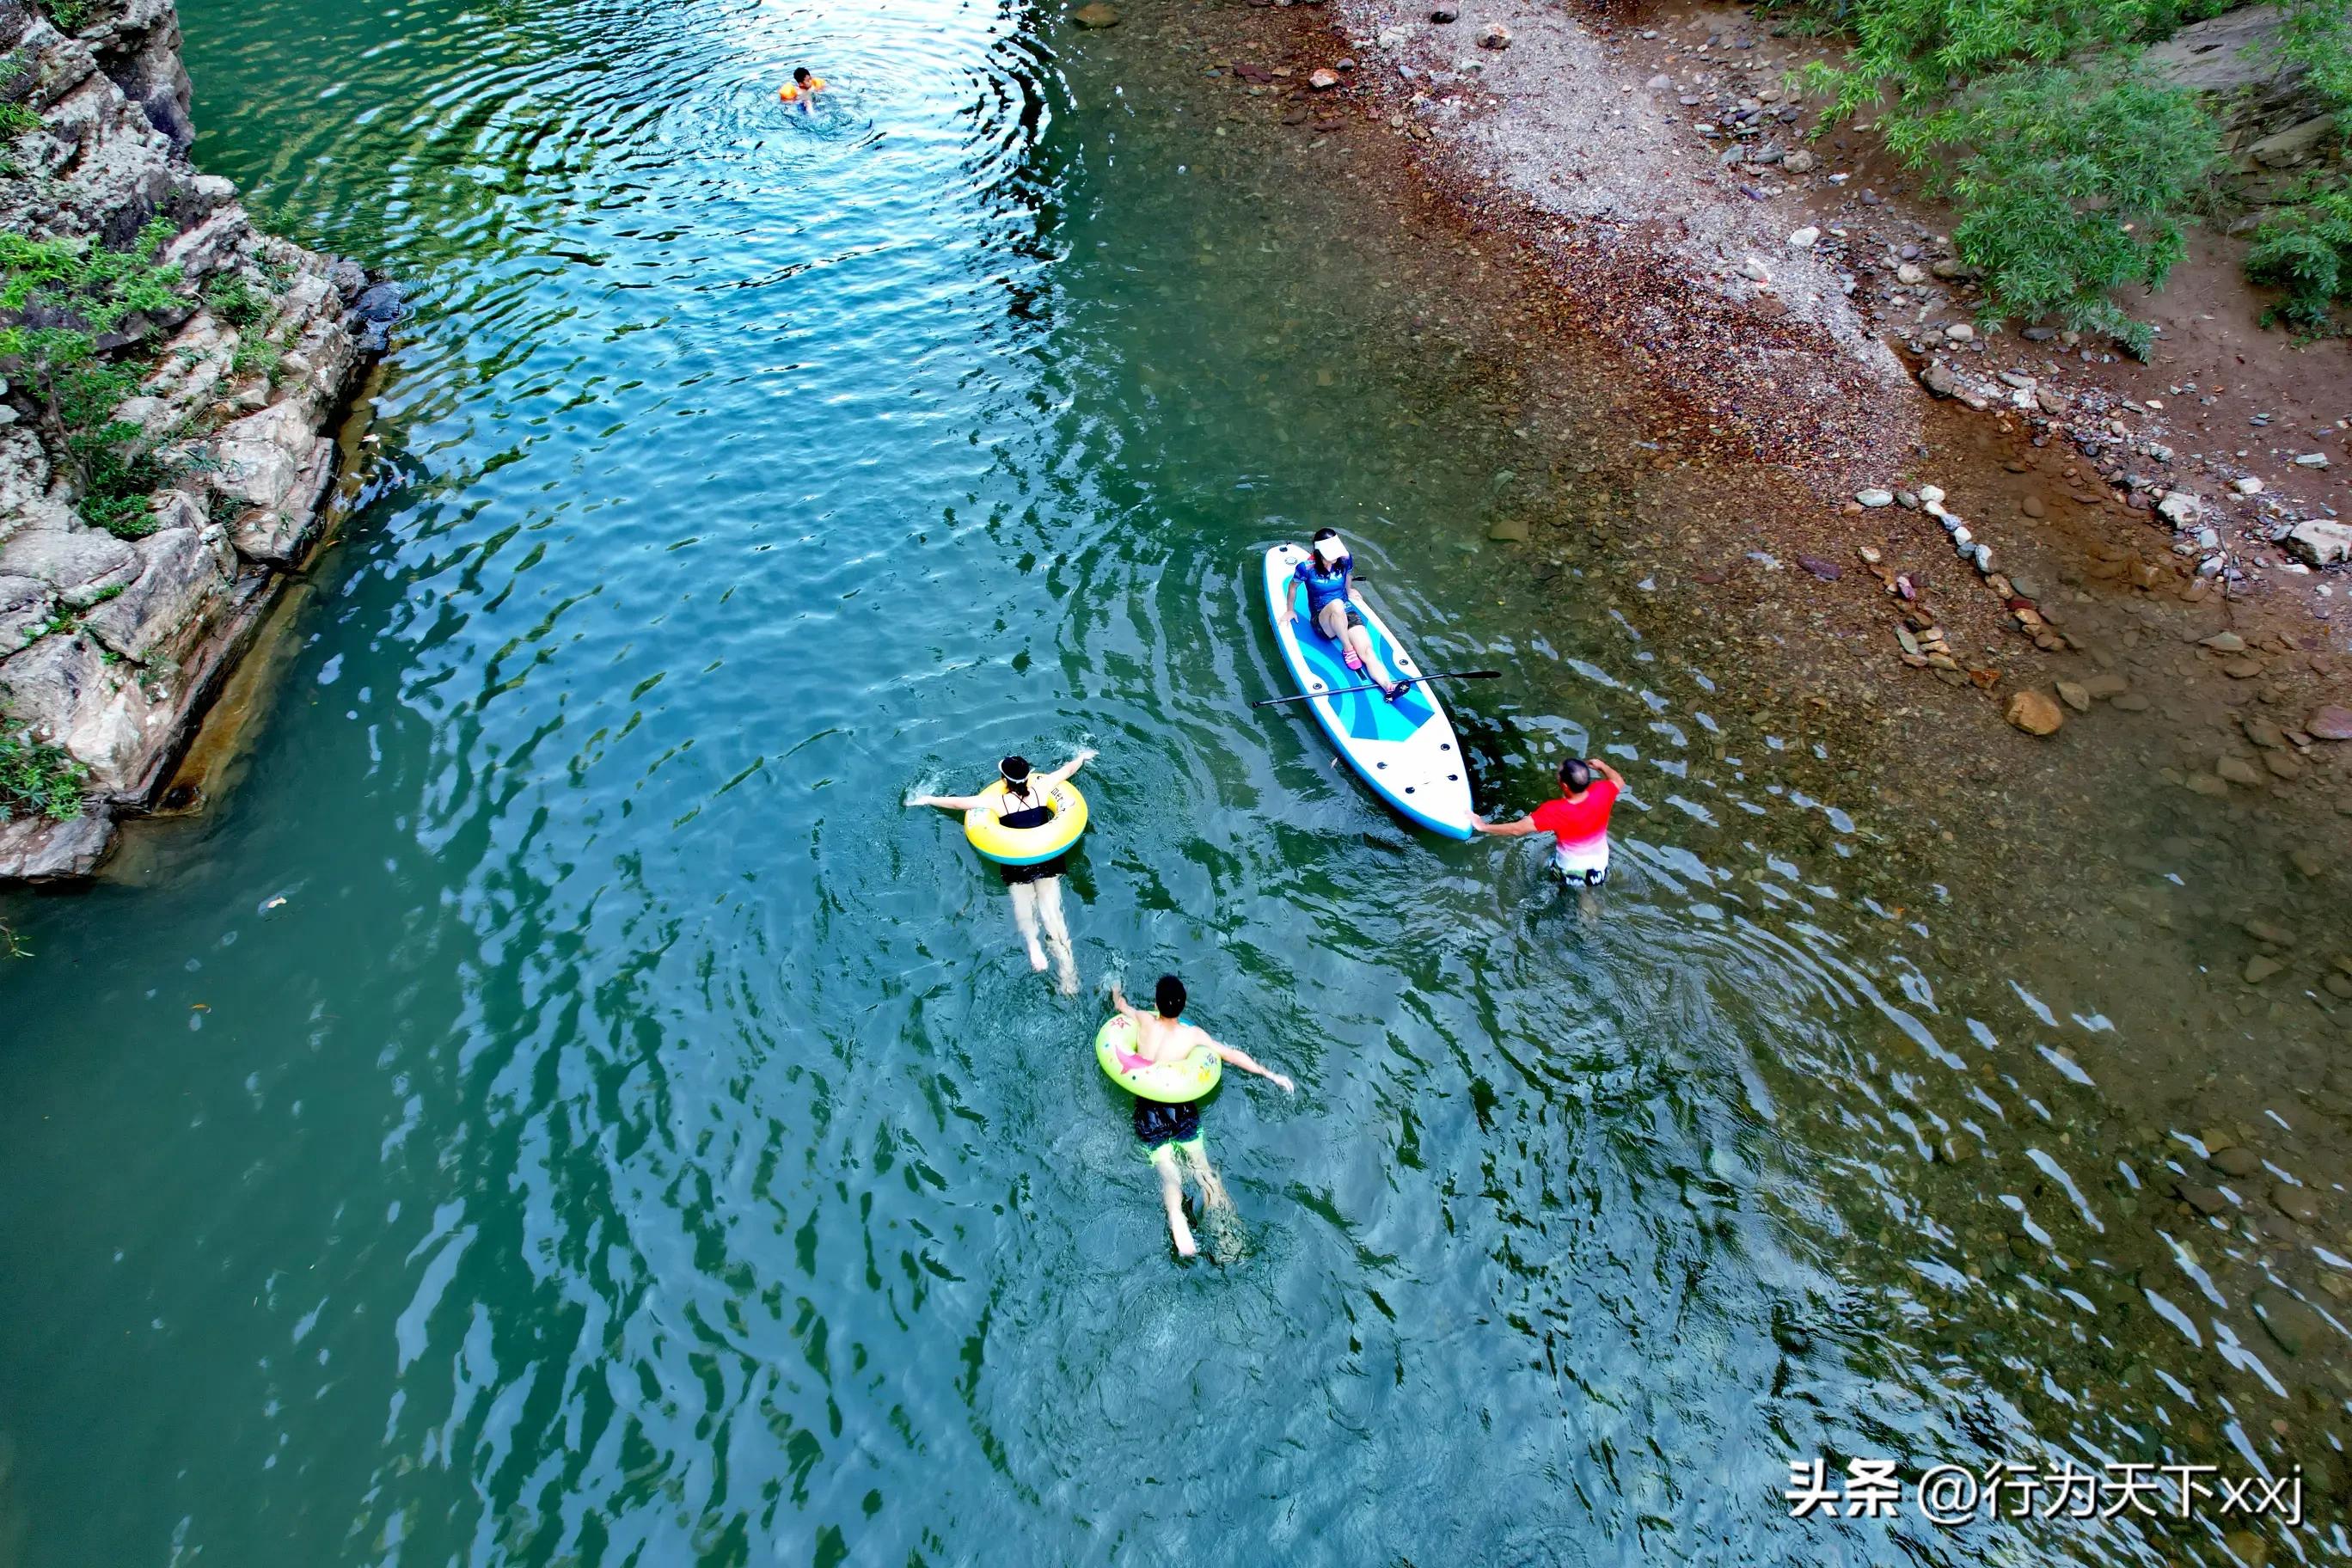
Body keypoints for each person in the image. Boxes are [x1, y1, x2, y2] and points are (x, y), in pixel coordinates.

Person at [1107, 974, 1293, 1259]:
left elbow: (1121, 1006)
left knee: (1169, 1173)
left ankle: (1178, 1221)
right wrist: (1270, 1074)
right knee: (1204, 1170)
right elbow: (1230, 1055)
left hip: (1149, 1110)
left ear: (1156, 1003)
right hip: (1180, 1108)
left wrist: (1115, 989)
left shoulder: (1144, 1020)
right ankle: (1229, 1238)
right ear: (1183, 1006)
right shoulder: (1192, 1036)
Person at [907, 750, 1095, 995]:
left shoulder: (997, 801)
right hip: (1046, 856)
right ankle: (1068, 976)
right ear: (1028, 776)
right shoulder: (1042, 787)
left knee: (1023, 904)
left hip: (1015, 861)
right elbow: (1068, 770)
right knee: (1053, 915)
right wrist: (1082, 756)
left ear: (1004, 780)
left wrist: (926, 799)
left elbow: (957, 803)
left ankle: (1033, 946)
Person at [1472, 755, 1626, 922]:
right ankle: (1587, 915)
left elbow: (1517, 829)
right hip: (1600, 866)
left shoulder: (1555, 811)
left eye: (1558, 773)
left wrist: (1483, 826)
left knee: (1555, 885)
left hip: (1570, 870)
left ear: (1564, 785)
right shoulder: (1603, 790)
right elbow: (1618, 781)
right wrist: (1602, 766)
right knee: (1586, 897)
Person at [1290, 529, 1410, 701]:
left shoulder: (1344, 559)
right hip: (1323, 621)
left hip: (1347, 612)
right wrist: (1290, 610)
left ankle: (1388, 686)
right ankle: (1348, 648)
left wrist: (1349, 590)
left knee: (1367, 651)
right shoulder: (1306, 567)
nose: (1336, 557)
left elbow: (1348, 575)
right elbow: (1293, 587)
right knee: (1337, 605)